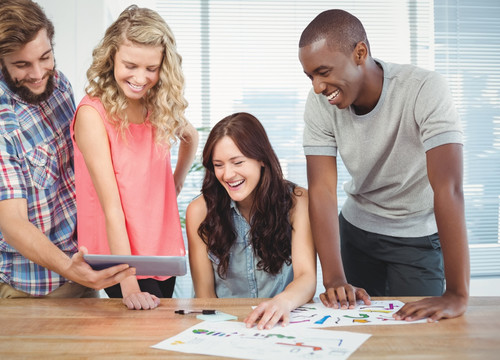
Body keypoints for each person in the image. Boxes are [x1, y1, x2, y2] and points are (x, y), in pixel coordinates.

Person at [298, 9, 469, 321]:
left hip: (417, 239)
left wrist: (457, 294)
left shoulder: (424, 89)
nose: (318, 87)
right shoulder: (320, 104)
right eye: (310, 77)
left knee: (419, 338)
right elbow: (322, 190)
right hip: (356, 235)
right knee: (356, 334)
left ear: (360, 53)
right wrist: (334, 277)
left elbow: (449, 188)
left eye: (323, 72)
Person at [0, 0, 135, 299]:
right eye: (22, 65)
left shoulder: (58, 85)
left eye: (45, 57)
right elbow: (13, 224)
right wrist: (70, 268)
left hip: (83, 264)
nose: (38, 72)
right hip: (31, 285)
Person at [72, 5, 198, 310]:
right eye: (130, 65)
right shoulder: (93, 114)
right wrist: (127, 285)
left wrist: (176, 183)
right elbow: (111, 208)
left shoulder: (157, 106)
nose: (141, 78)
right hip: (120, 256)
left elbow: (190, 137)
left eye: (151, 68)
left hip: (161, 248)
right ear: (111, 56)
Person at [186, 112, 316, 330]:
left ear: (261, 159)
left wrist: (281, 303)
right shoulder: (199, 211)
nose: (228, 174)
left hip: (282, 322)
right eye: (218, 165)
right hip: (226, 325)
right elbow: (205, 294)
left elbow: (306, 277)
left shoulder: (297, 202)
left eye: (237, 162)